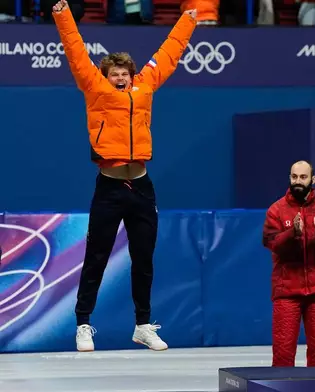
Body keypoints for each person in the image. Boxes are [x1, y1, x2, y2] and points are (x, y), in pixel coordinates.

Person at [51, 0, 197, 352]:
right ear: (105, 76)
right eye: (114, 73)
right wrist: (63, 16)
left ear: (132, 75)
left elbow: (167, 55)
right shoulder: (95, 89)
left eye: (124, 74)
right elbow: (75, 51)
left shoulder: (144, 88)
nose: (119, 78)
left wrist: (187, 23)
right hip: (110, 186)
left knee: (144, 258)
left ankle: (143, 325)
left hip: (142, 187)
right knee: (97, 257)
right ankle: (83, 323)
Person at [262, 160, 315, 367]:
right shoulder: (276, 210)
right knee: (282, 354)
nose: (298, 181)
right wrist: (293, 233)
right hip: (287, 291)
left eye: (303, 177)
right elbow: (270, 242)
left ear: (312, 179)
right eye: (294, 177)